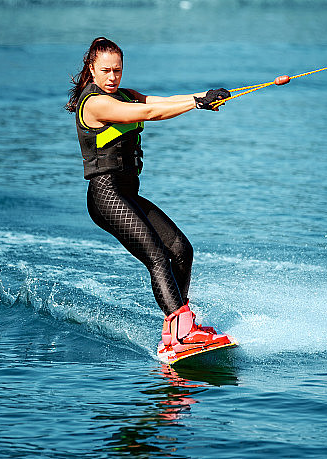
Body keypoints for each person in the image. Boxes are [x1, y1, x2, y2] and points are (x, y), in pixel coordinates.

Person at [66, 37, 232, 357]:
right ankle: (181, 330)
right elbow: (152, 112)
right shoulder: (96, 104)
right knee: (156, 255)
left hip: (129, 193)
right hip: (106, 196)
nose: (113, 77)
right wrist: (196, 104)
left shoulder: (125, 94)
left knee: (181, 249)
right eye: (106, 71)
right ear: (91, 69)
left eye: (118, 69)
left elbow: (160, 99)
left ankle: (178, 329)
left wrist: (202, 96)